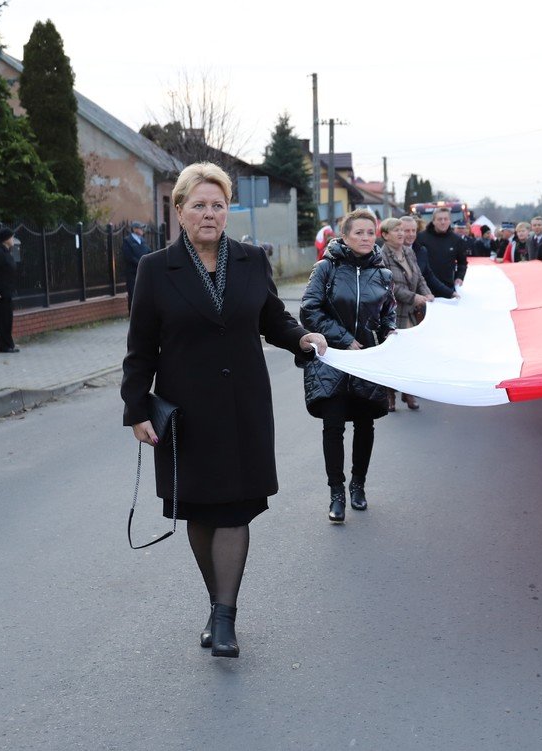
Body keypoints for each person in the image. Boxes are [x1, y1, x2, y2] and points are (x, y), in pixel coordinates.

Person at [121, 162, 327, 659]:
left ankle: (225, 617)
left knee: (235, 510)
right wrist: (135, 409)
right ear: (180, 211)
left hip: (243, 407)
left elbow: (272, 317)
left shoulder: (252, 260)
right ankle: (216, 604)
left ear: (228, 210)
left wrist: (302, 337)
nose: (209, 213)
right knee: (200, 511)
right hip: (187, 411)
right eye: (199, 205)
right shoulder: (155, 268)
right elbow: (141, 347)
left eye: (218, 204)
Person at [301, 208, 397, 523]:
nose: (366, 238)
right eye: (359, 232)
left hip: (367, 362)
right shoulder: (326, 268)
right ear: (345, 236)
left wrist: (390, 336)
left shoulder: (383, 274)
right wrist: (343, 338)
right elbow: (310, 309)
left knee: (365, 425)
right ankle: (336, 492)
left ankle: (358, 486)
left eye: (371, 232)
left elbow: (387, 315)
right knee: (334, 425)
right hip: (333, 359)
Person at [379, 216, 433, 410]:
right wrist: (414, 297)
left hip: (411, 313)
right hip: (393, 313)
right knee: (393, 356)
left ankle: (408, 392)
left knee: (410, 355)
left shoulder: (409, 252)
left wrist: (426, 293)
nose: (402, 233)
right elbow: (389, 286)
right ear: (385, 235)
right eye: (397, 230)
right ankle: (390, 394)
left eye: (403, 230)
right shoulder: (382, 255)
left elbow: (419, 277)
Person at [416, 207, 469, 298]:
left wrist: (459, 277)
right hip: (424, 289)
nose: (443, 222)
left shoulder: (456, 240)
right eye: (440, 219)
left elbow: (462, 263)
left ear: (450, 221)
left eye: (446, 219)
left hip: (447, 288)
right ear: (433, 221)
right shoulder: (420, 238)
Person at [121, 221, 152, 309]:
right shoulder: (127, 240)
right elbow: (129, 256)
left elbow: (149, 252)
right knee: (133, 293)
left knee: (143, 293)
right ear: (134, 229)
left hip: (143, 272)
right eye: (140, 228)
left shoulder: (142, 240)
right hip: (132, 273)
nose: (142, 230)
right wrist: (140, 263)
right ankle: (132, 314)